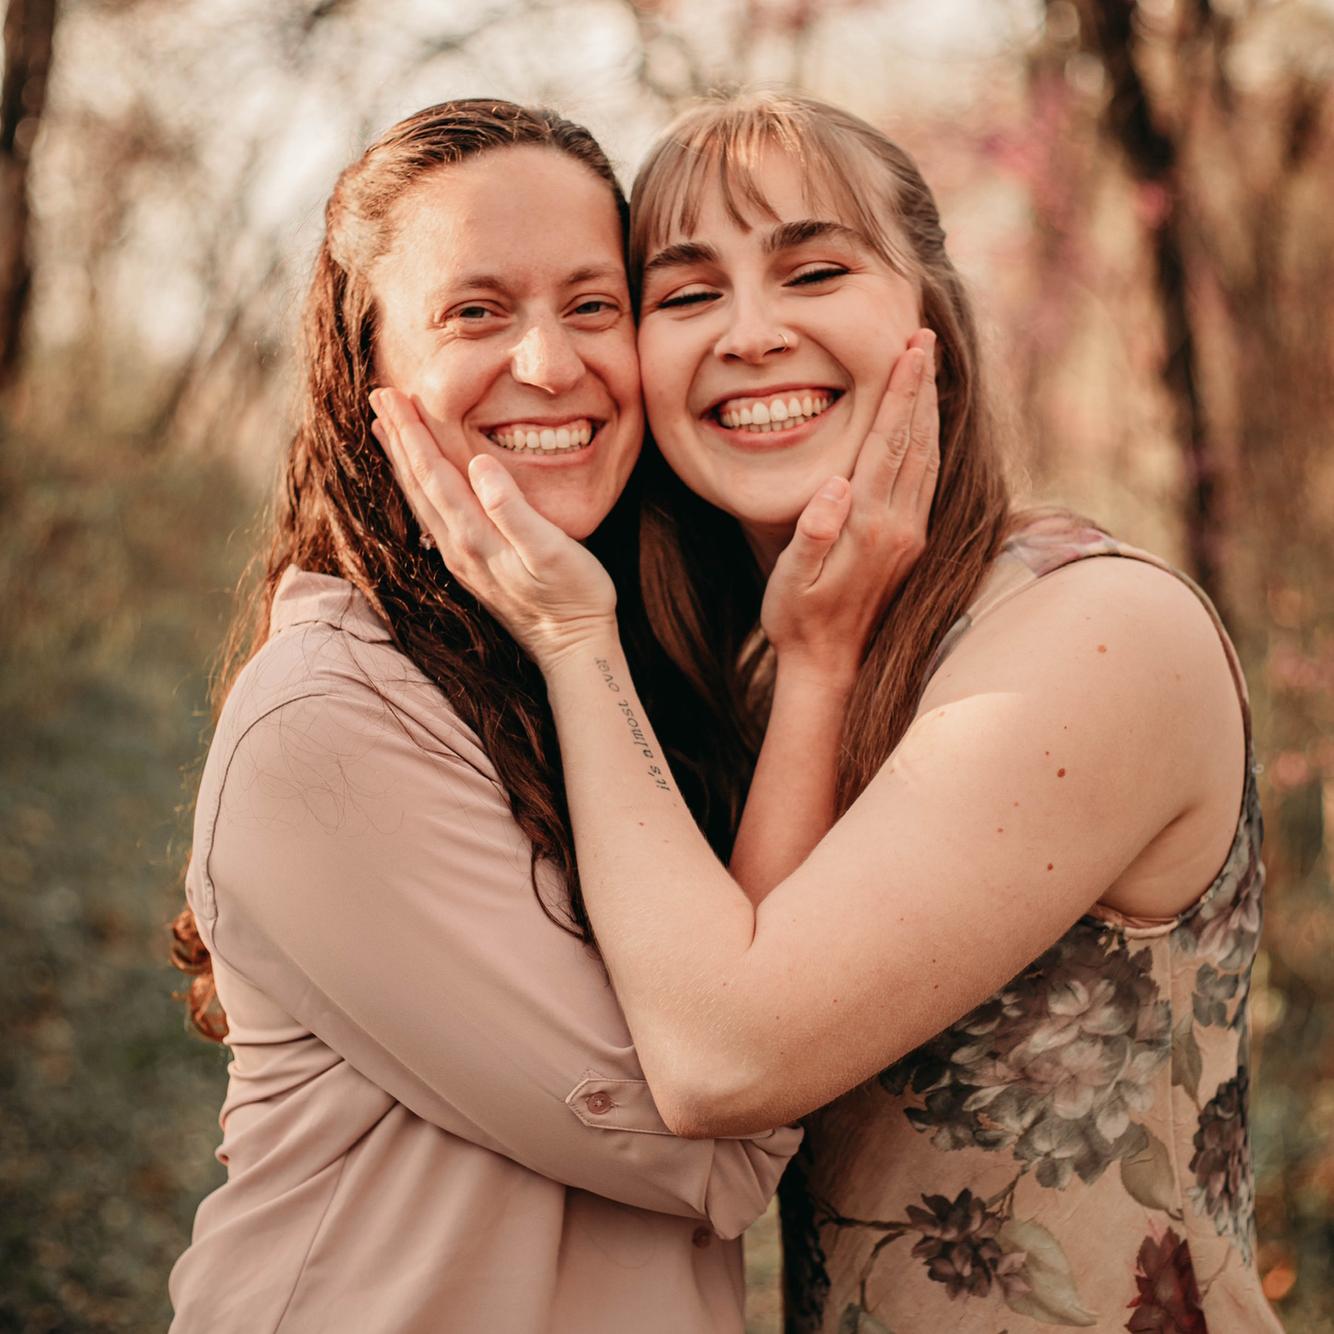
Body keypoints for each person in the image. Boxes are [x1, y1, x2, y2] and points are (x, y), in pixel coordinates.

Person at [376, 92, 1281, 1332]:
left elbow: (724, 1061)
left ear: (929, 316)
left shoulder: (1094, 633)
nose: (750, 334)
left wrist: (570, 636)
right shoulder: (776, 656)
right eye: (685, 295)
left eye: (812, 269)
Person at [168, 97, 932, 1333]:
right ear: (364, 367)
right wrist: (814, 668)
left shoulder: (601, 666)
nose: (550, 364)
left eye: (592, 305)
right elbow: (716, 1135)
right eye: (476, 311)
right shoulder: (331, 720)